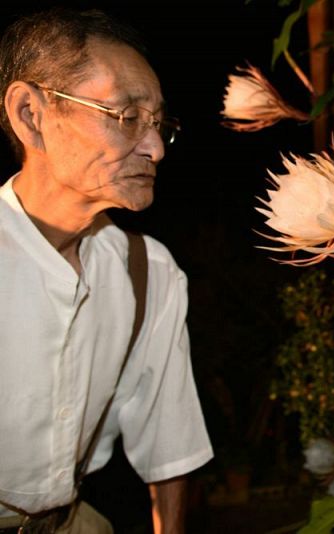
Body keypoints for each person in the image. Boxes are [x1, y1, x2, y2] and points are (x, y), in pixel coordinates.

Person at [0, 8, 213, 533]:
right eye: (125, 116)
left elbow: (170, 444)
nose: (156, 148)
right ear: (31, 114)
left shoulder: (148, 272)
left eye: (159, 123)